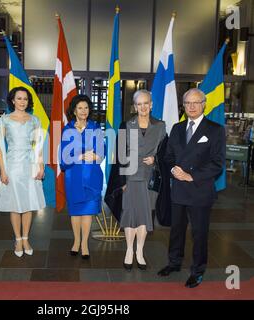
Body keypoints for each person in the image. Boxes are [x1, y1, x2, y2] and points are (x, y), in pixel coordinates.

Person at [158, 88, 226, 288]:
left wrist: (191, 175)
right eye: (188, 103)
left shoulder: (215, 129)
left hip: (200, 190)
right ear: (184, 105)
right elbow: (168, 156)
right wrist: (173, 170)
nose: (192, 106)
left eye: (196, 102)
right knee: (176, 230)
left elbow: (217, 163)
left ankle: (198, 271)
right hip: (178, 188)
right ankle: (174, 262)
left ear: (204, 104)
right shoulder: (177, 128)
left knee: (199, 233)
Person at [106, 90, 166, 270]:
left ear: (151, 104)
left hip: (149, 177)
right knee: (130, 214)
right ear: (135, 106)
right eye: (139, 104)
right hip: (131, 178)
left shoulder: (161, 125)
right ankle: (129, 251)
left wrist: (156, 160)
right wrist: (122, 181)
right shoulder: (126, 125)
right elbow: (120, 154)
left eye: (146, 103)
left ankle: (139, 251)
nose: (143, 107)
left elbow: (166, 151)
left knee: (145, 216)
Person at [0, 87, 46, 258]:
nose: (22, 101)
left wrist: (41, 166)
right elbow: (0, 148)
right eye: (19, 98)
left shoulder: (34, 120)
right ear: (12, 100)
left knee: (29, 204)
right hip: (12, 166)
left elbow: (38, 147)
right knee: (15, 205)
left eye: (25, 99)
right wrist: (2, 171)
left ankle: (26, 239)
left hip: (30, 165)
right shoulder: (5, 120)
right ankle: (17, 239)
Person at [60, 94, 105, 259]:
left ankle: (85, 243)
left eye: (86, 107)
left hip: (92, 175)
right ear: (74, 110)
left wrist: (94, 157)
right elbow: (64, 157)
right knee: (75, 211)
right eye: (80, 108)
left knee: (87, 211)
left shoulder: (95, 128)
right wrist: (78, 157)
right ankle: (76, 241)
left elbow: (102, 152)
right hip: (74, 176)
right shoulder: (68, 129)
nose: (83, 111)